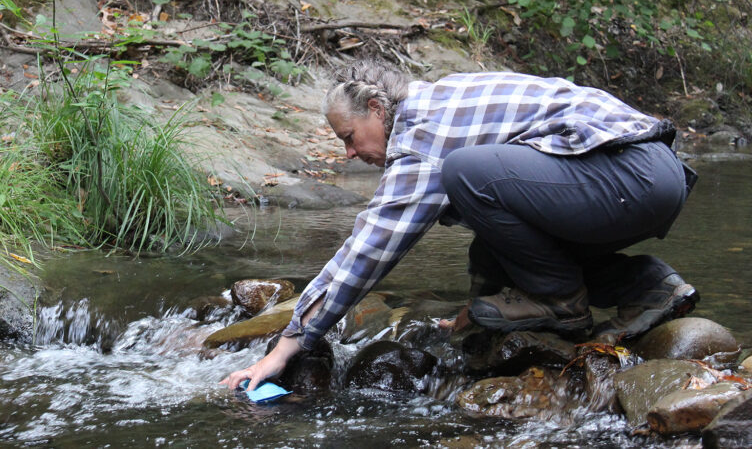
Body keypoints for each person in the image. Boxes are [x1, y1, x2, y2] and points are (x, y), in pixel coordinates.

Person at [221, 61, 699, 392]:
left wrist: (292, 341)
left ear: (378, 109)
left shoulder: (422, 131)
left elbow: (369, 247)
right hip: (647, 179)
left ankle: (560, 302)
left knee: (464, 172)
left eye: (349, 137)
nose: (349, 153)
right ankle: (648, 286)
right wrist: (481, 304)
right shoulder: (444, 100)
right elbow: (503, 231)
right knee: (480, 206)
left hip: (628, 175)